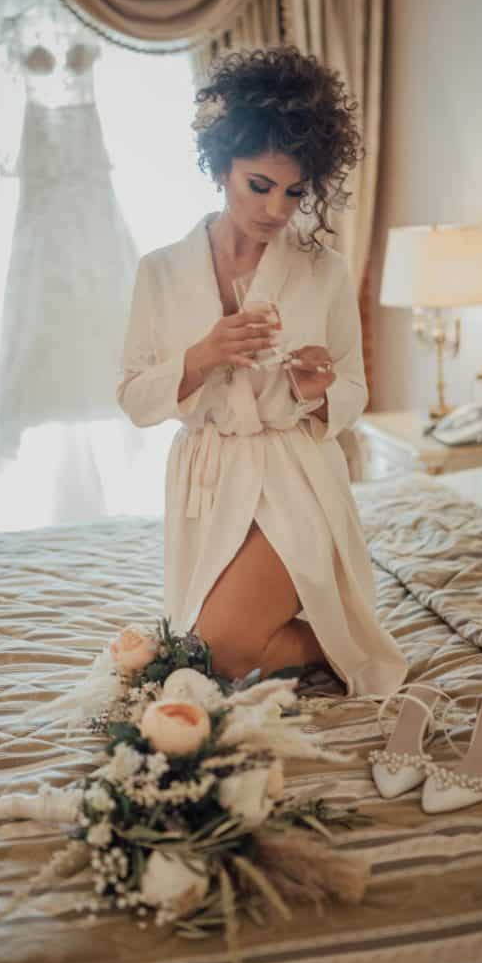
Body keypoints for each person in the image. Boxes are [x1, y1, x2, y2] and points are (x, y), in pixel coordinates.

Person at [117, 46, 407, 696]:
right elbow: (135, 400)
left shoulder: (321, 270)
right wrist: (200, 355)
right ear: (221, 166)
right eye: (260, 185)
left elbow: (355, 388)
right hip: (208, 478)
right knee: (198, 652)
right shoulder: (159, 271)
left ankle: (342, 637)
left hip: (293, 477)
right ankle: (334, 643)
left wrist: (315, 391)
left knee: (208, 657)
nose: (276, 208)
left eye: (294, 191)